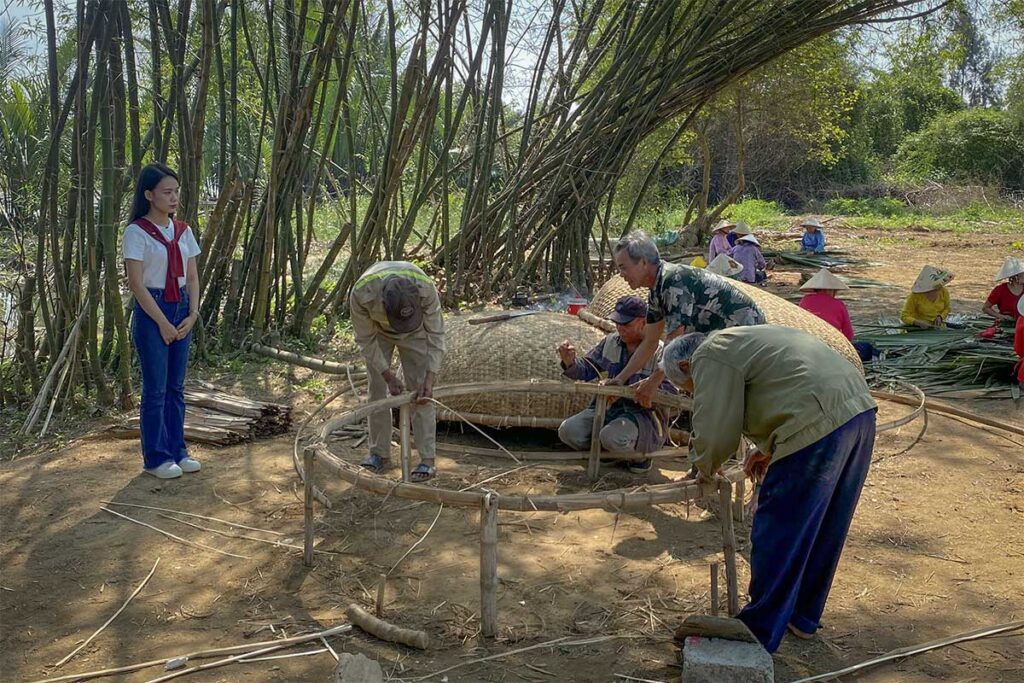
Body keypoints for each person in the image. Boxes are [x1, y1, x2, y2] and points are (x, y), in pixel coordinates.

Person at [660, 327, 877, 653]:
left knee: (779, 527)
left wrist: (703, 468)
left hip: (817, 421)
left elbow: (717, 427)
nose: (694, 395)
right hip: (857, 412)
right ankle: (802, 617)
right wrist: (770, 445)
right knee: (825, 524)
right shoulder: (741, 340)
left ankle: (759, 627)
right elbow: (786, 387)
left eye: (690, 389)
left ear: (688, 366)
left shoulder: (710, 354)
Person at [609, 230, 765, 407]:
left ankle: (708, 401)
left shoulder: (673, 281)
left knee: (673, 358)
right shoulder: (656, 291)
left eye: (623, 267)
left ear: (643, 263)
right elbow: (650, 342)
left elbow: (675, 339)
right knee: (674, 359)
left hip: (745, 333)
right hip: (718, 337)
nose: (621, 274)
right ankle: (707, 398)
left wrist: (652, 383)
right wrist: (621, 378)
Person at [123, 163, 203, 479]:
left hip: (182, 306)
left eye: (176, 192)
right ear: (148, 195)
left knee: (176, 386)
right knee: (155, 388)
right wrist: (162, 323)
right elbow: (136, 284)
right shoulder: (136, 232)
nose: (173, 198)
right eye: (167, 192)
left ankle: (178, 450)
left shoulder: (184, 231)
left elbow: (193, 275)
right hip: (152, 309)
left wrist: (193, 314)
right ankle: (156, 457)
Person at [556, 296, 676, 474]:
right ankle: (611, 453)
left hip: (643, 417)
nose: (620, 328)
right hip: (607, 408)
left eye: (626, 324)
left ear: (643, 322)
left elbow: (671, 393)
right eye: (618, 323)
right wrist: (569, 362)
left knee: (612, 437)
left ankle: (640, 457)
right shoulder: (610, 342)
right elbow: (586, 370)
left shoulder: (661, 353)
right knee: (568, 431)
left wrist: (636, 390)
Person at [350, 261, 446, 481]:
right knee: (376, 390)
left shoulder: (425, 289)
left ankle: (427, 460)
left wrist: (431, 377)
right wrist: (387, 374)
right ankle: (379, 454)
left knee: (422, 391)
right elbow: (366, 340)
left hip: (416, 332)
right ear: (382, 303)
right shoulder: (361, 293)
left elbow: (437, 335)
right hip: (378, 332)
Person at [982, 256, 1024, 324]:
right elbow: (986, 308)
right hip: (1006, 325)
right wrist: (1001, 316)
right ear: (1015, 277)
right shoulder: (1000, 290)